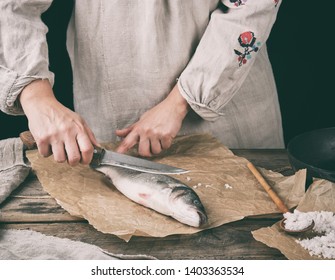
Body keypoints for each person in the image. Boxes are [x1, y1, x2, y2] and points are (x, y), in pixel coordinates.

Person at [0, 0, 284, 166]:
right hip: (113, 109)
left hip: (228, 108)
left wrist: (179, 102)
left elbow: (251, 6)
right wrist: (36, 97)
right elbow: (12, 7)